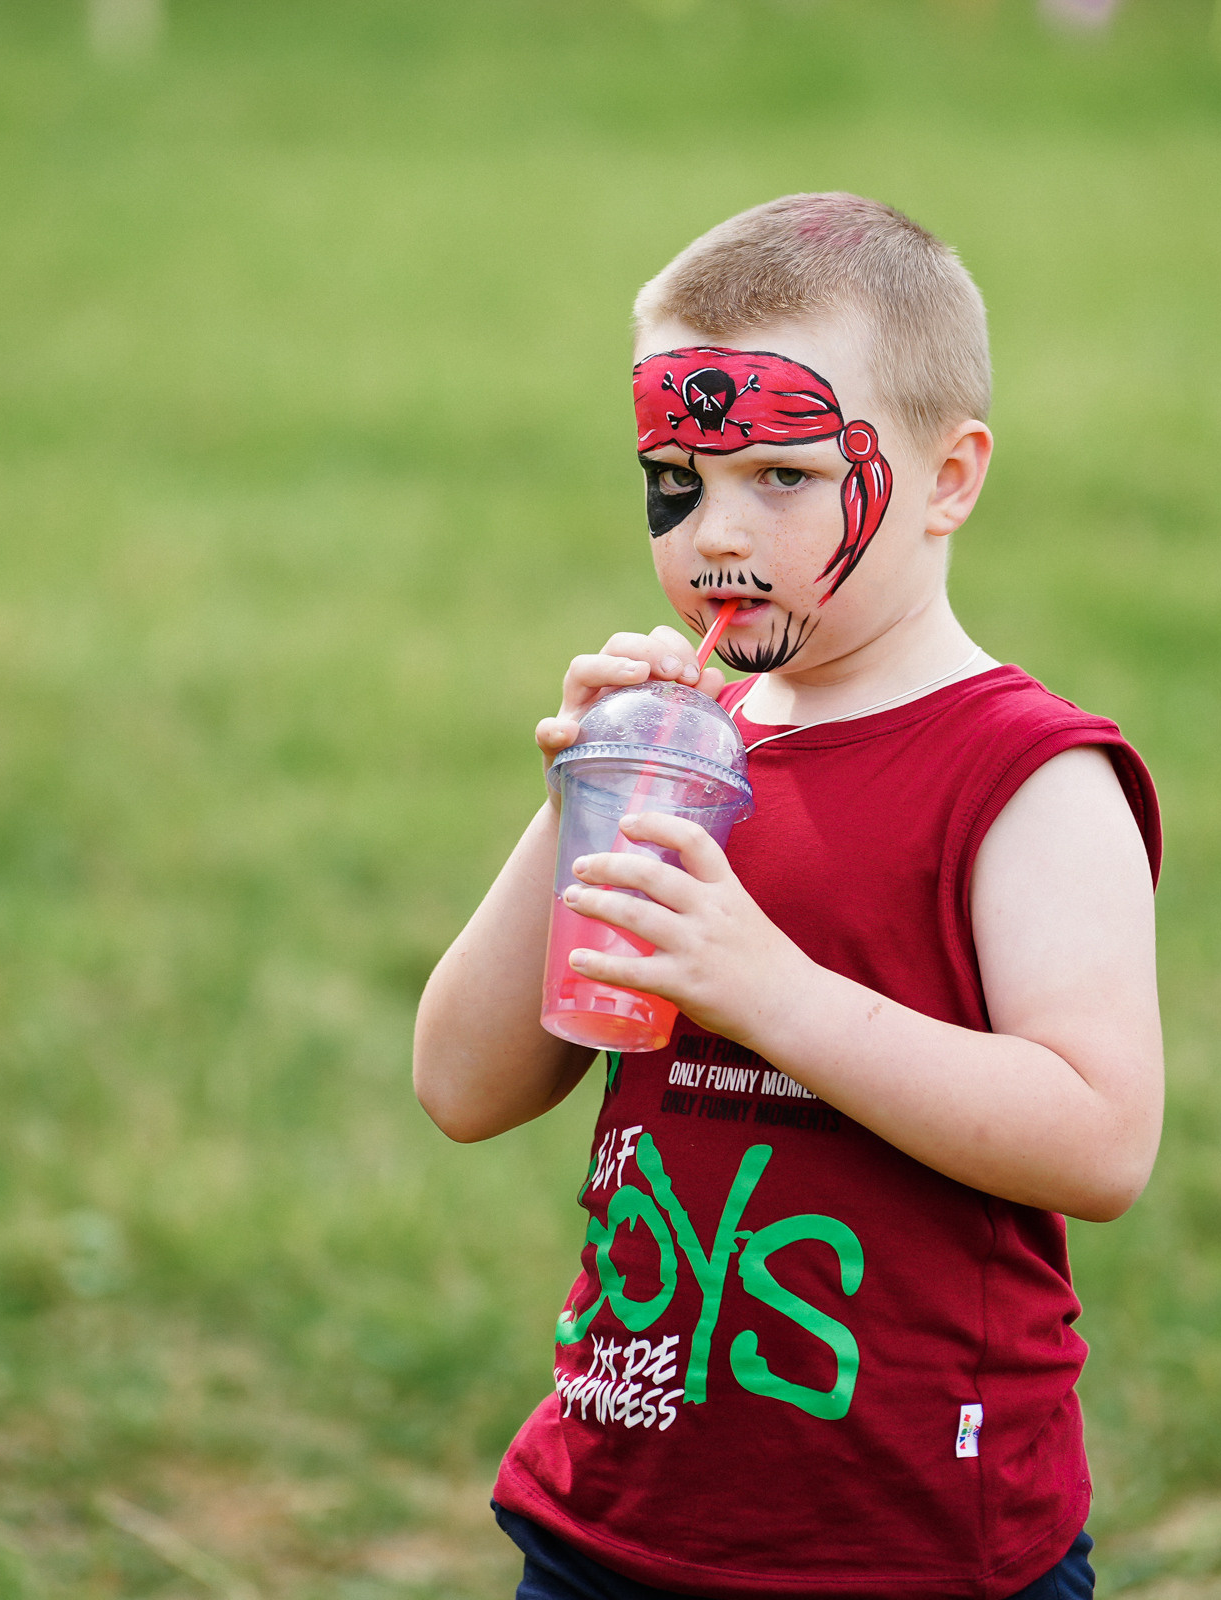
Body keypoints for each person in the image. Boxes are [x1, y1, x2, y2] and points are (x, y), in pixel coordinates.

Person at [412, 193, 1163, 1600]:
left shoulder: (1025, 776)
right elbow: (462, 1084)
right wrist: (578, 793)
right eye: (674, 478)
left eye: (779, 474)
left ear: (946, 479)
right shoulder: (684, 755)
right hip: (616, 1520)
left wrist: (768, 991)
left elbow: (1101, 1139)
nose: (713, 533)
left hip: (915, 1547)